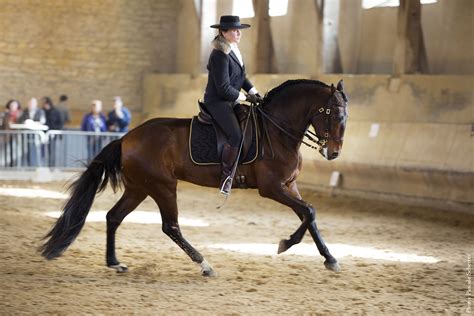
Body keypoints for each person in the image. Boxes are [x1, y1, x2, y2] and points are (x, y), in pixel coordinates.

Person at [203, 15, 263, 195]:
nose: (238, 33)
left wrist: (254, 92)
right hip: (218, 101)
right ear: (223, 32)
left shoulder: (233, 49)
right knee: (235, 135)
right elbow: (223, 88)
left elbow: (241, 77)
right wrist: (245, 98)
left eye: (239, 30)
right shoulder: (219, 55)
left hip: (232, 99)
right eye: (234, 30)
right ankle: (227, 177)